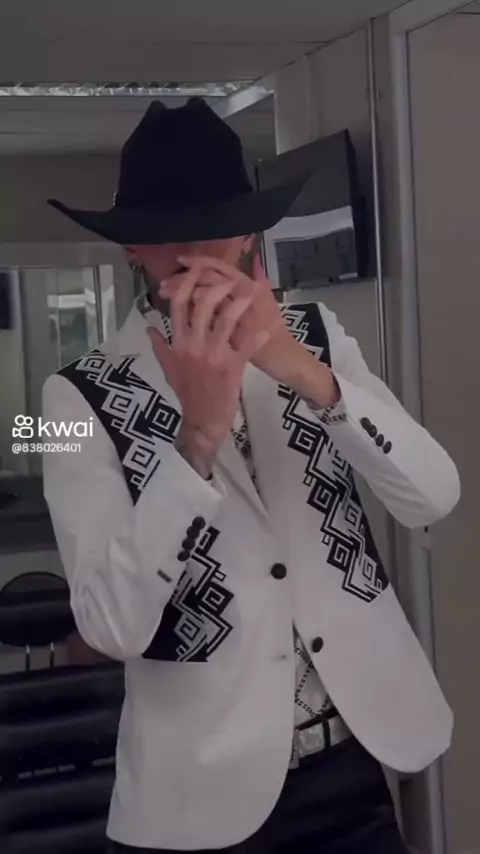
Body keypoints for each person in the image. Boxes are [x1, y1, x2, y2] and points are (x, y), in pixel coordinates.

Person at [42, 98, 460, 854]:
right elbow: (107, 626)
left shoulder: (318, 337)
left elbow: (434, 495)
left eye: (216, 227)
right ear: (132, 247)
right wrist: (194, 443)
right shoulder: (69, 397)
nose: (192, 253)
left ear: (247, 236)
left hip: (354, 761)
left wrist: (302, 371)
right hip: (199, 798)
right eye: (165, 233)